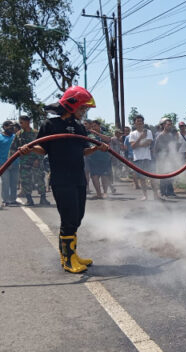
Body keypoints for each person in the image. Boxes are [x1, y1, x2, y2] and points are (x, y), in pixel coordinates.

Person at [17, 86, 109, 273]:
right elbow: (43, 149)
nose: (84, 112)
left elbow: (83, 151)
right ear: (71, 105)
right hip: (61, 178)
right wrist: (30, 149)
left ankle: (73, 253)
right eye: (83, 108)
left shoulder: (80, 127)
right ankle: (67, 259)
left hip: (79, 177)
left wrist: (96, 149)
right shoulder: (50, 125)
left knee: (77, 217)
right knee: (69, 218)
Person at [9, 115, 50, 206]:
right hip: (24, 162)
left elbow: (42, 147)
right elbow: (13, 148)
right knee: (25, 180)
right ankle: (29, 200)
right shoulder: (19, 134)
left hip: (36, 161)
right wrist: (10, 161)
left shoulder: (36, 133)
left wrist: (38, 159)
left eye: (21, 122)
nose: (20, 124)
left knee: (39, 179)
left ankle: (43, 199)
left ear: (27, 122)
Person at [129, 114, 160, 201]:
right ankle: (145, 195)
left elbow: (148, 143)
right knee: (142, 179)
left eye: (141, 121)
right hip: (137, 159)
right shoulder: (132, 134)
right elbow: (132, 146)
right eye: (137, 121)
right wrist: (141, 138)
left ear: (143, 122)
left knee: (152, 177)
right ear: (135, 123)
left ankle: (155, 195)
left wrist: (137, 144)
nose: (139, 123)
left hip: (147, 158)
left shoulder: (148, 132)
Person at [88, 120, 113, 198]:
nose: (93, 128)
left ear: (99, 126)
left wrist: (97, 134)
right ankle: (98, 193)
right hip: (93, 159)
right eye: (92, 126)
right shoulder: (89, 136)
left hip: (105, 158)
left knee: (104, 175)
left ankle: (105, 192)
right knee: (94, 176)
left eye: (95, 126)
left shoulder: (105, 133)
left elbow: (109, 139)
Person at [153, 117, 177, 197]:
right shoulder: (160, 136)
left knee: (170, 175)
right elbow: (155, 149)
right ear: (164, 125)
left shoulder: (171, 136)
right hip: (162, 158)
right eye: (168, 124)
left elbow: (173, 147)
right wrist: (158, 159)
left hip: (169, 158)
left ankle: (170, 191)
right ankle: (163, 192)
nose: (169, 126)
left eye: (170, 125)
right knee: (163, 176)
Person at [1, 120, 19, 207]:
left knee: (14, 182)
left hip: (15, 163)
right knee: (5, 182)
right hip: (3, 164)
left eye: (13, 126)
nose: (12, 128)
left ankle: (13, 199)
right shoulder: (0, 137)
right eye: (10, 126)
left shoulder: (15, 137)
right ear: (4, 127)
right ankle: (5, 200)